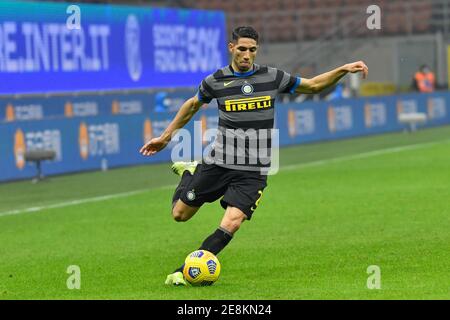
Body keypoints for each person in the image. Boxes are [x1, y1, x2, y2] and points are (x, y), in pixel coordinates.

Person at [139, 26, 368, 286]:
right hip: (219, 162)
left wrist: (342, 69)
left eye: (252, 50)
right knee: (180, 215)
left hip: (253, 170)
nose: (247, 55)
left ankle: (184, 271)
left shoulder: (272, 77)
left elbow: (313, 85)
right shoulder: (215, 81)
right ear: (231, 48)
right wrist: (166, 137)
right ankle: (190, 171)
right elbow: (192, 105)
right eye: (242, 49)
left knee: (232, 222)